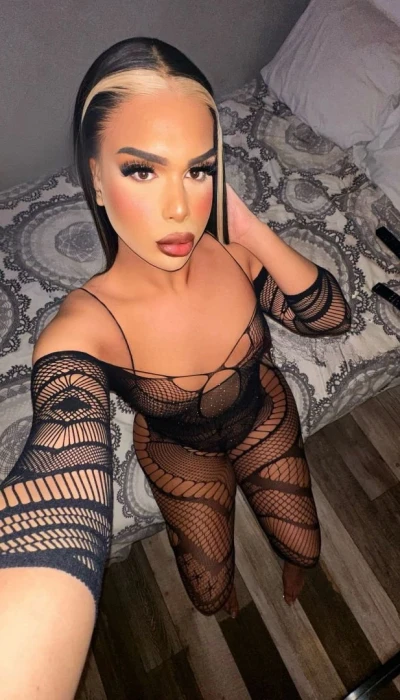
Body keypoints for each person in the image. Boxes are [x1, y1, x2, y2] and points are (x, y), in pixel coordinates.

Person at [0, 37, 351, 698]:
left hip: (263, 413)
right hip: (177, 450)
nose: (180, 208)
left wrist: (252, 230)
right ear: (96, 179)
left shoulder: (232, 251)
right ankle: (229, 599)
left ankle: (294, 570)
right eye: (142, 171)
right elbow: (60, 467)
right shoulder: (84, 328)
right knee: (207, 587)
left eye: (198, 170)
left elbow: (330, 318)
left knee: (304, 544)